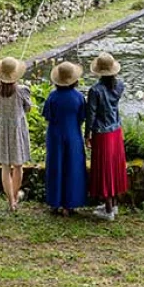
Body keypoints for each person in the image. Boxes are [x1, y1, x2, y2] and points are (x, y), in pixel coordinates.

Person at [85, 52, 128, 221]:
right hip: (116, 131)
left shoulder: (95, 91)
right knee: (115, 167)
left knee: (104, 169)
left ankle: (108, 209)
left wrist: (87, 134)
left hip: (102, 133)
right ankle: (114, 205)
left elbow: (91, 115)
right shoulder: (119, 86)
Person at [43, 60, 87, 216]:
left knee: (56, 166)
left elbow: (48, 116)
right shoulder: (79, 97)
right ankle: (70, 204)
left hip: (55, 134)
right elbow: (82, 117)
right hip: (73, 134)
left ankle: (55, 202)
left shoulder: (52, 97)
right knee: (73, 167)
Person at [0, 55, 32, 212]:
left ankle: (10, 201)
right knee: (18, 165)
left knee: (5, 167)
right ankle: (15, 197)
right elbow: (28, 108)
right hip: (17, 130)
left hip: (2, 129)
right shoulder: (22, 91)